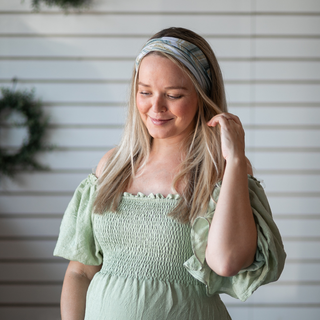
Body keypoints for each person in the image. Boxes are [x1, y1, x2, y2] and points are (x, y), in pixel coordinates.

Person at [54, 27, 286, 320]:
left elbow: (226, 262)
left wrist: (236, 159)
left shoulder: (222, 171)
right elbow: (80, 272)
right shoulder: (111, 166)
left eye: (173, 95)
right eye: (145, 92)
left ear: (202, 96)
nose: (156, 107)